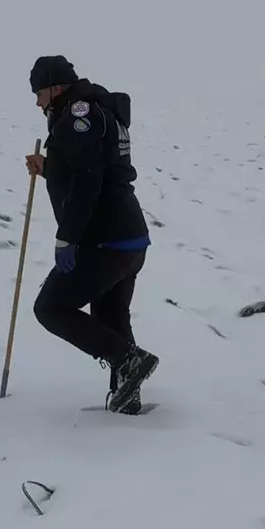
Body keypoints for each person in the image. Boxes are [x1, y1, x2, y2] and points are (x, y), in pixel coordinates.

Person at [25, 55, 159, 413]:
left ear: (55, 88)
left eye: (39, 94)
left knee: (50, 308)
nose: (38, 103)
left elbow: (88, 181)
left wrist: (67, 238)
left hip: (103, 239)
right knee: (111, 319)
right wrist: (49, 169)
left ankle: (129, 361)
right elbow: (94, 167)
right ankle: (127, 398)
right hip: (129, 238)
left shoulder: (76, 116)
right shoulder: (100, 110)